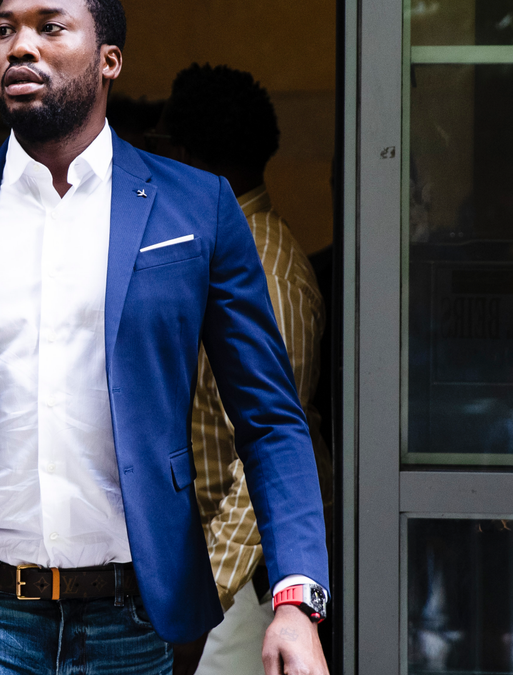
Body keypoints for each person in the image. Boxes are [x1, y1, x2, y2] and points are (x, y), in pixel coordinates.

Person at [0, 1, 330, 673]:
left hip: (134, 618)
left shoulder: (197, 207)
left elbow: (272, 420)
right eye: (4, 29)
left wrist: (295, 599)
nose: (20, 46)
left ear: (110, 59)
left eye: (49, 27)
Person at [153, 64, 332, 675]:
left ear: (184, 156)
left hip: (240, 593)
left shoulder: (270, 273)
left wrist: (199, 604)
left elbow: (266, 458)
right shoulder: (225, 249)